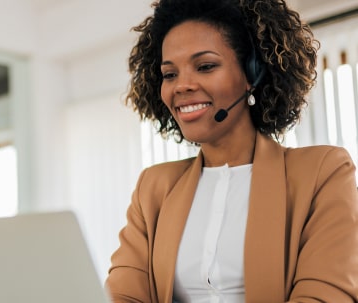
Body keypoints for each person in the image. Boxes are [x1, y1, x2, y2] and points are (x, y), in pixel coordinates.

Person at [105, 0, 358, 302]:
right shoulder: (154, 187)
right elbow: (123, 294)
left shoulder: (322, 172)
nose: (181, 85)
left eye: (205, 66)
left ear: (252, 74)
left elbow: (326, 293)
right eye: (170, 74)